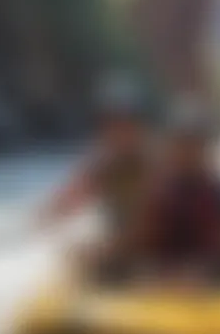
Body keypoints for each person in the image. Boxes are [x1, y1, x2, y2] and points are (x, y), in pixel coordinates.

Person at [131, 103, 220, 288]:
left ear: (207, 151)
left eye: (194, 147)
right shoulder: (159, 191)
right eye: (180, 147)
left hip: (211, 267)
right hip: (167, 269)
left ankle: (194, 279)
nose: (186, 154)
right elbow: (141, 237)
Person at [37, 85, 154, 284]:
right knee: (78, 257)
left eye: (126, 126)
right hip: (124, 246)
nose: (119, 135)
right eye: (112, 127)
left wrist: (116, 247)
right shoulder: (102, 165)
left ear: (140, 128)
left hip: (157, 247)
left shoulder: (157, 163)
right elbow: (69, 199)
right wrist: (48, 216)